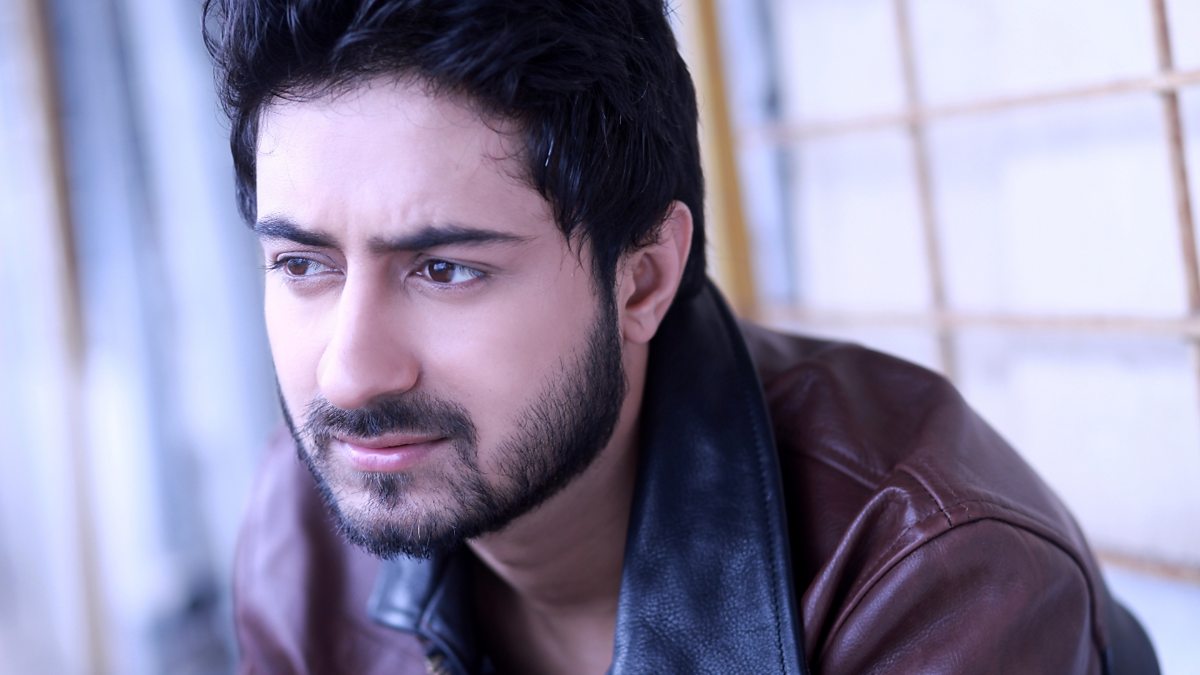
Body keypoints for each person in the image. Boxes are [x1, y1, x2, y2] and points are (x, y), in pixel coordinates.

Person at [203, 1, 1159, 673]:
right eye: (303, 265)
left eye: (446, 269)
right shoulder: (306, 522)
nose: (351, 374)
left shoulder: (929, 574)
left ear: (643, 277)